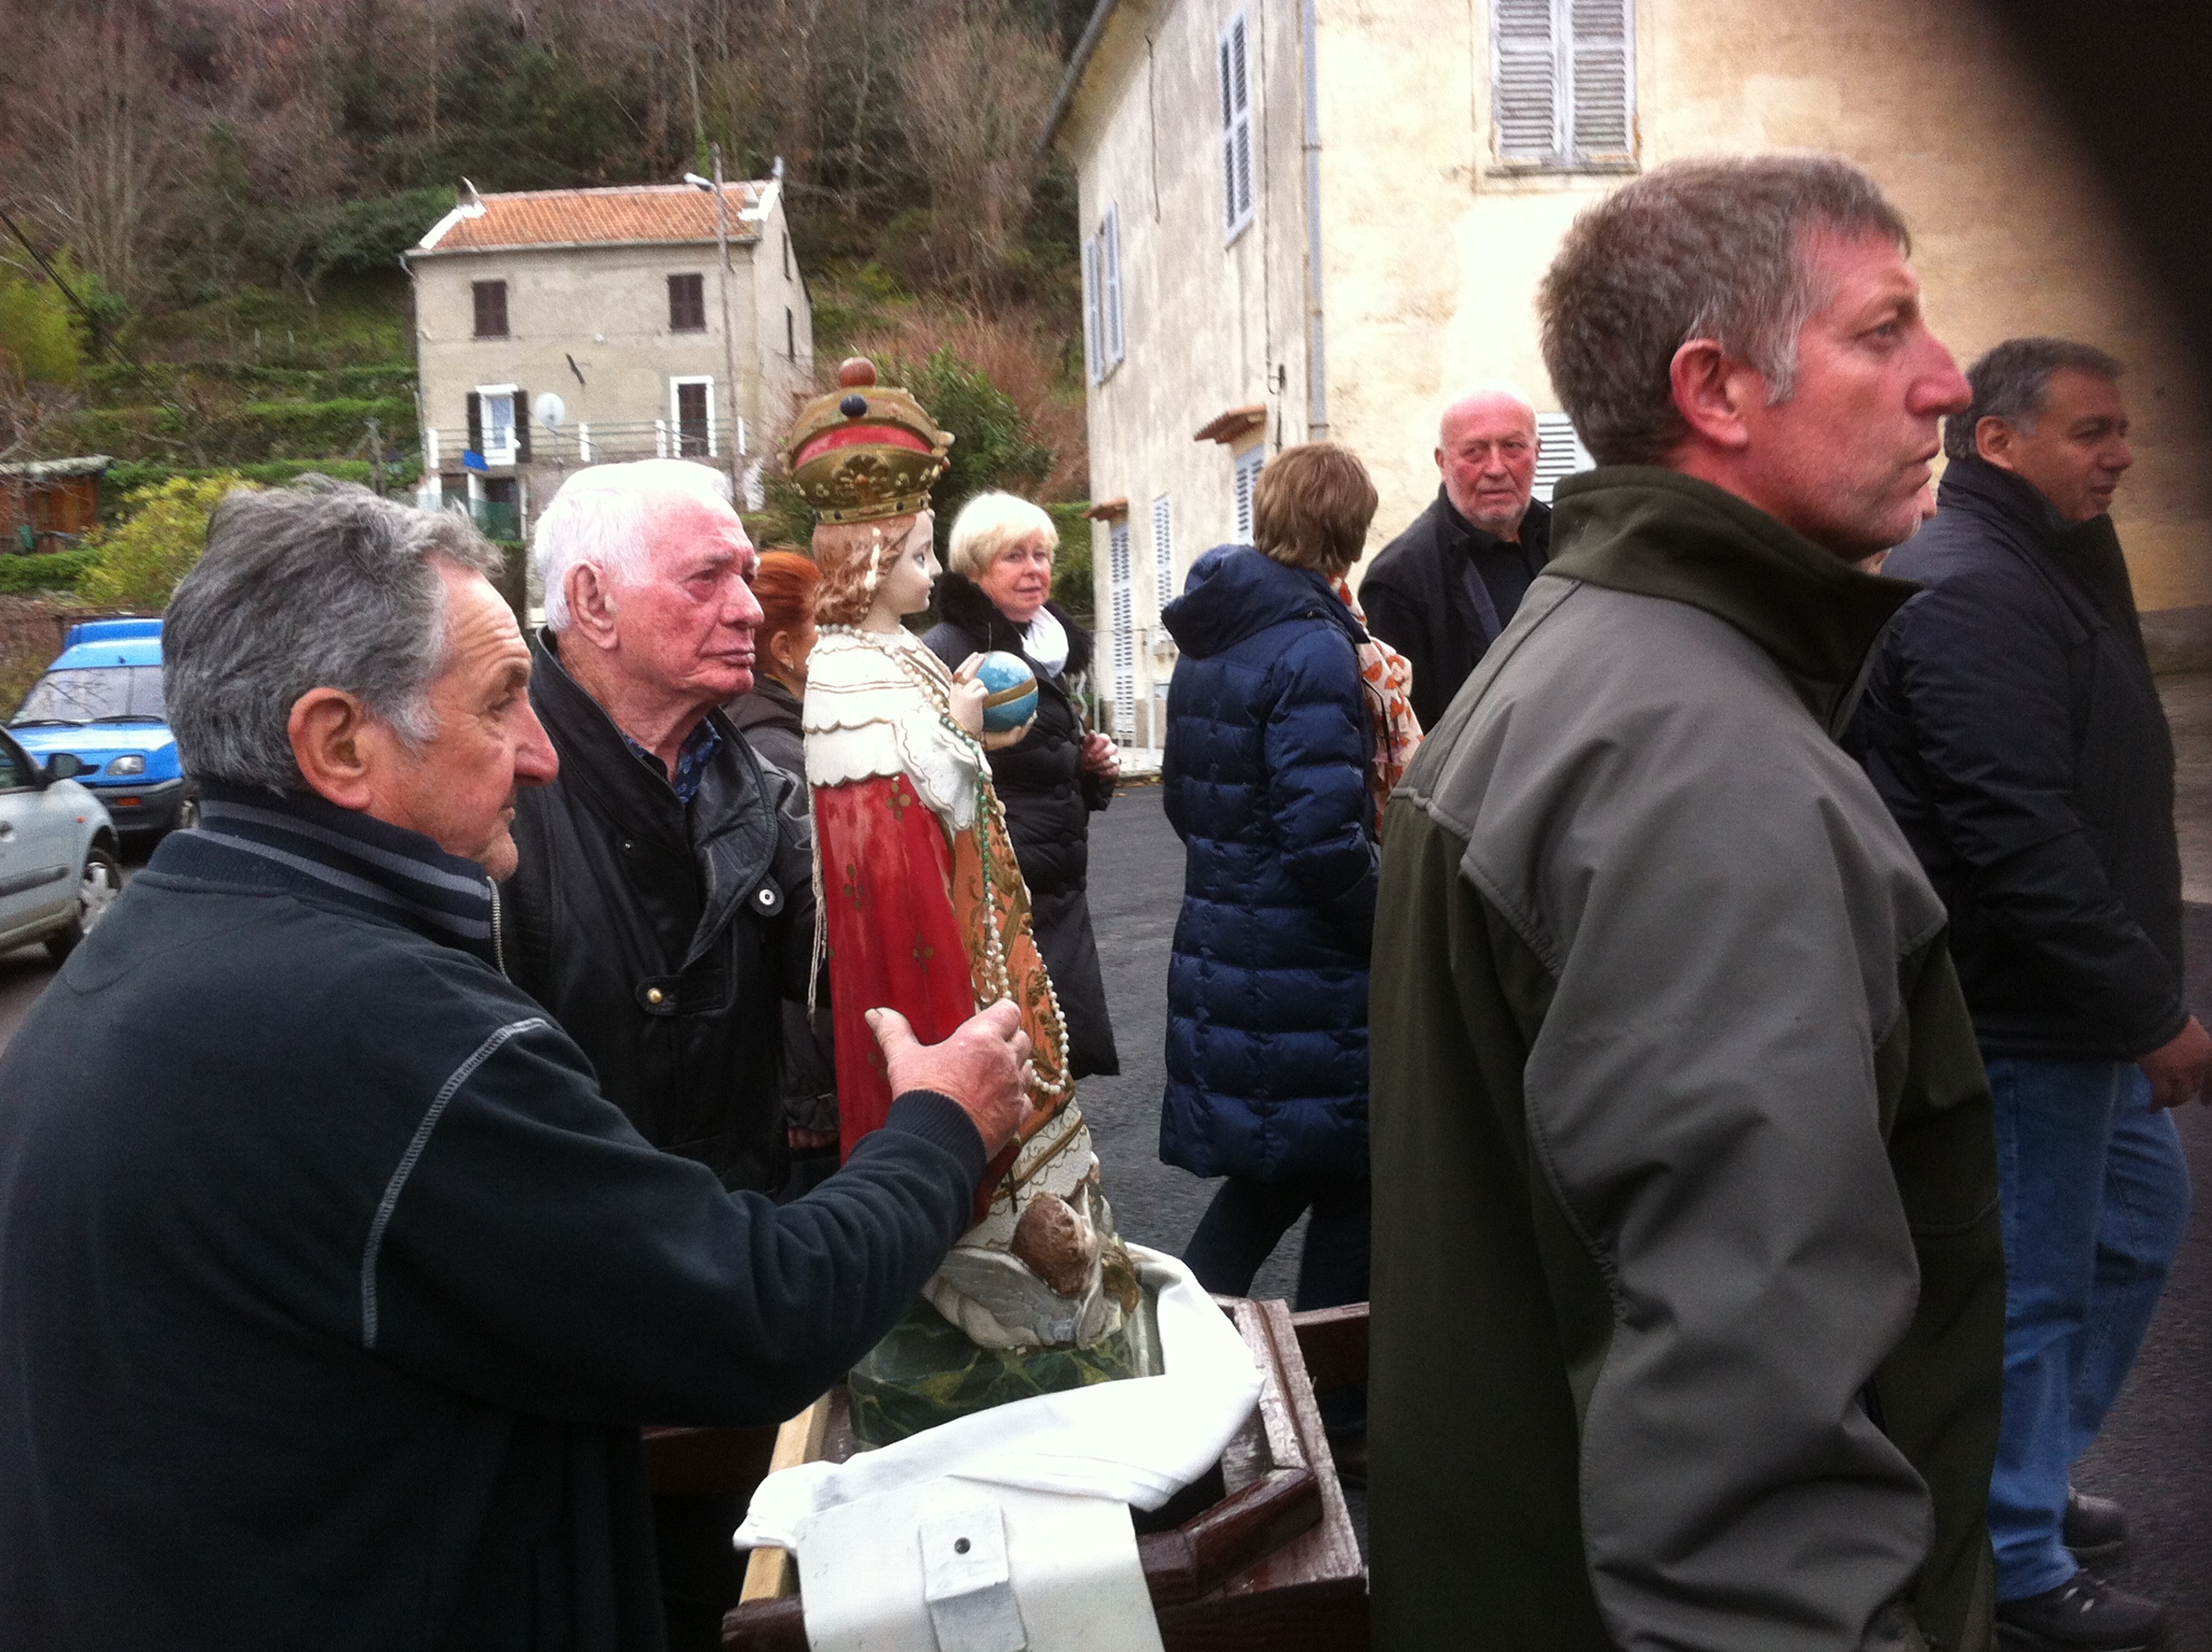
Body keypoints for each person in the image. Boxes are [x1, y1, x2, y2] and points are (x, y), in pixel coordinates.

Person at [0, 480, 1033, 1651]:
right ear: (339, 743)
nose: (544, 755)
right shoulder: (385, 1034)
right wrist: (940, 1121)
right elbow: (760, 1314)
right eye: (501, 703)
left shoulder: (127, 961)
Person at [1365, 154, 2010, 1651]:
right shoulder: (1699, 773)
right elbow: (1748, 1483)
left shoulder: (1590, 660)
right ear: (1715, 388)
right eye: (1883, 331)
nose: (1946, 381)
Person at [1850, 337, 2202, 1650]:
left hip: (2069, 1010)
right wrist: (2147, 1010)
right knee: (2034, 1286)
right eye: (2091, 432)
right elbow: (2019, 836)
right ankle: (2010, 1562)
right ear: (1997, 441)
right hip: (2020, 1015)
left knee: (2136, 1224)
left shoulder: (2042, 558)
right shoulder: (1971, 588)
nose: (2121, 455)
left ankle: (2025, 1481)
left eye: (2122, 430)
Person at [791, 360, 1141, 1428]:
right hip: (935, 948)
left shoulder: (891, 651)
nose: (931, 564)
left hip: (984, 916)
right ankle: (989, 1271)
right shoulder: (846, 675)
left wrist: (962, 725)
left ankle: (1037, 1265)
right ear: (872, 558)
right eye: (916, 549)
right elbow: (893, 838)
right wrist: (962, 730)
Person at [1159, 441, 1415, 1336]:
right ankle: (1321, 1387)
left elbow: (1185, 801)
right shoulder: (1314, 647)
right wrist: (1393, 924)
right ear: (1350, 532)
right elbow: (1323, 840)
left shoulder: (1218, 632)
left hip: (1234, 933)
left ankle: (1188, 1350)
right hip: (1310, 960)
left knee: (1298, 1167)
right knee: (1338, 1166)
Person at [504, 459, 810, 1197]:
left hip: (742, 1234)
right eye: (706, 578)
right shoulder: (491, 796)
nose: (749, 610)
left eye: (746, 577)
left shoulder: (754, 784)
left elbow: (845, 956)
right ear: (594, 601)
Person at [924, 490, 1122, 1079]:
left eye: (1041, 555)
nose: (1034, 570)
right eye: (1014, 556)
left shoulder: (1044, 647)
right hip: (1001, 893)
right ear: (974, 568)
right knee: (1015, 1069)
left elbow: (1038, 766)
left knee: (1052, 1065)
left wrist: (1091, 771)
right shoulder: (949, 654)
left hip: (1056, 888)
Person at [724, 549, 839, 1178]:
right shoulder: (777, 747)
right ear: (786, 650)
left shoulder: (784, 728)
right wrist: (810, 1096)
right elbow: (804, 914)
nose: (839, 638)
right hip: (807, 1078)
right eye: (826, 624)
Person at [1359, 381, 1552, 729]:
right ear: (1442, 462)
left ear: (1537, 452)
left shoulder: (1569, 543)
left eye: (1513, 447)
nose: (1496, 468)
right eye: (1474, 452)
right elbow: (1402, 738)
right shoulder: (1399, 581)